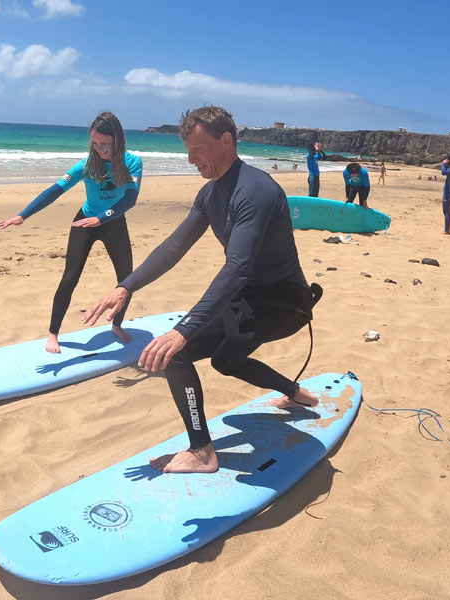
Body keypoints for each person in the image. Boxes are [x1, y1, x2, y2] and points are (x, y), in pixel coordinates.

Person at [83, 106, 322, 474]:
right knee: (226, 361)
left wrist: (183, 330)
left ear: (225, 141)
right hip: (247, 297)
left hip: (283, 303)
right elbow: (173, 247)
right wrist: (125, 287)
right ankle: (294, 393)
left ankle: (202, 452)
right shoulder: (210, 194)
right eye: (187, 150)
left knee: (175, 353)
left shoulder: (255, 190)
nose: (189, 158)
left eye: (197, 149)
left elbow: (238, 266)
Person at [0, 112, 142, 353]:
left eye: (104, 144)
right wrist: (23, 215)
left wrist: (102, 218)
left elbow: (130, 198)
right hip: (84, 222)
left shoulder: (132, 162)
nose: (99, 149)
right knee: (70, 278)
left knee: (126, 280)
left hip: (113, 223)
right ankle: (53, 334)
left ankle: (116, 325)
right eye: (95, 144)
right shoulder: (87, 165)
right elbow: (56, 190)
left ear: (118, 140)